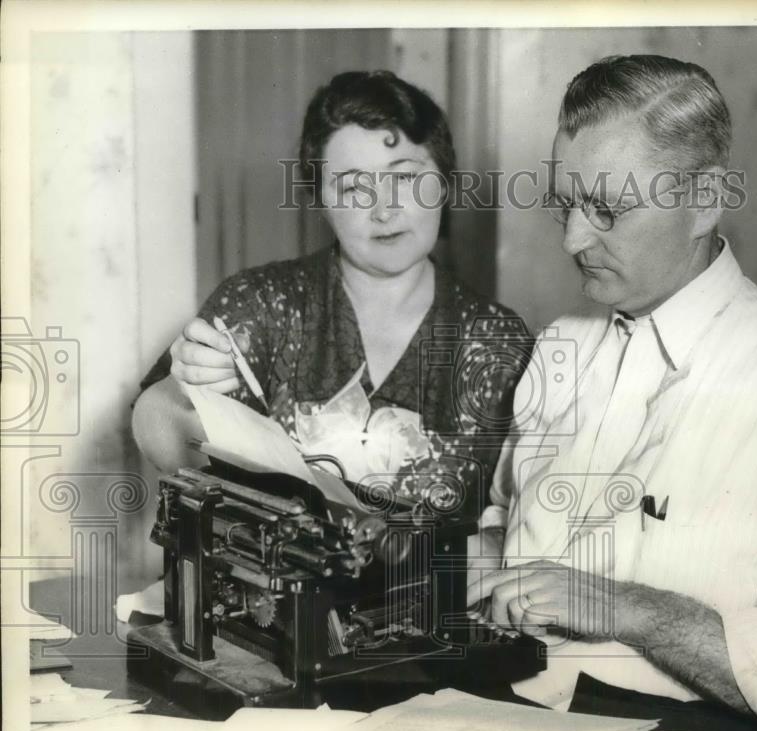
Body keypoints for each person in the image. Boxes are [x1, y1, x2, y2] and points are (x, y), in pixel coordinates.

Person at [467, 55, 757, 731]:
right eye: (563, 206)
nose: (575, 239)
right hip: (506, 718)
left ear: (706, 199)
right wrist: (454, 562)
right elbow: (506, 533)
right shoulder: (558, 348)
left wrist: (621, 607)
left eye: (607, 209)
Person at [132, 70, 531, 513]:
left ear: (445, 182)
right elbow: (159, 426)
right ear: (319, 201)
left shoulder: (498, 340)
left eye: (404, 178)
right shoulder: (261, 304)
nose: (385, 210)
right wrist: (179, 390)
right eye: (353, 187)